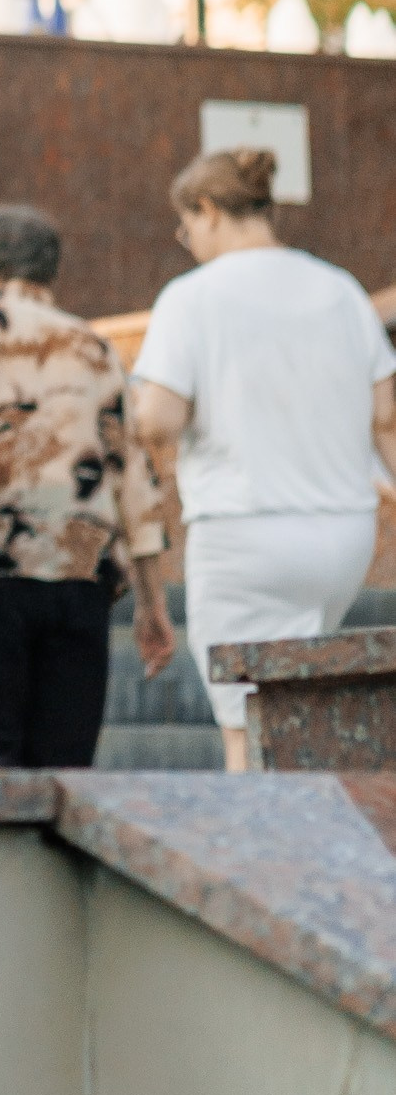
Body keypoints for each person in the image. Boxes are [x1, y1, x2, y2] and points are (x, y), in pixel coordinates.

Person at [129, 146, 396, 771]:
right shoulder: (342, 291)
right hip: (342, 537)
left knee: (245, 729)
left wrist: (142, 405)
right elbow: (386, 417)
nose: (186, 238)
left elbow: (157, 420)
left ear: (208, 211)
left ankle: (263, 863)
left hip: (245, 536)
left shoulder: (190, 298)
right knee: (297, 709)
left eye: (187, 223)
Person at [0, 202, 174, 771]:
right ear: (51, 272)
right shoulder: (96, 346)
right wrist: (153, 601)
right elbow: (134, 476)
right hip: (82, 583)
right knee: (66, 765)